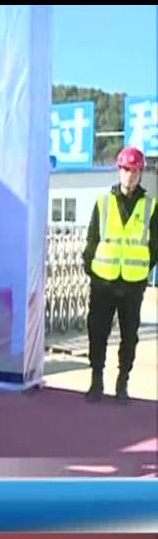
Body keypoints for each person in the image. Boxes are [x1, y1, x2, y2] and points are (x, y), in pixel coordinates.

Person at [83, 146, 157, 403]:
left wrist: (143, 271)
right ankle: (96, 381)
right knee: (97, 332)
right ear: (119, 170)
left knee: (129, 336)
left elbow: (155, 246)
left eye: (135, 170)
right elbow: (92, 239)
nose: (130, 175)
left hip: (133, 284)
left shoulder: (150, 206)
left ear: (141, 173)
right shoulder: (103, 202)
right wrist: (90, 268)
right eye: (126, 169)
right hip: (103, 281)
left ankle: (122, 383)